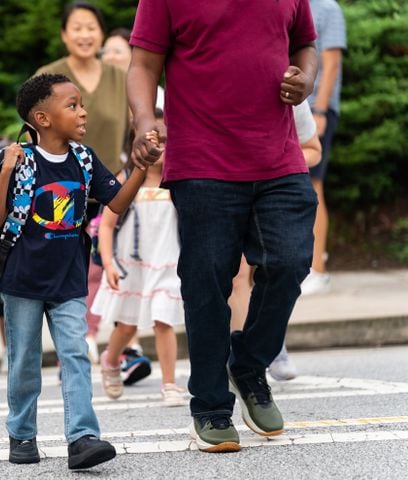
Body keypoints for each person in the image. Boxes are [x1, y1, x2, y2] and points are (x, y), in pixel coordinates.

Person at [127, 0, 319, 453]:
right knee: (206, 280)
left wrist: (306, 78)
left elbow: (305, 44)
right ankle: (211, 406)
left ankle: (250, 363)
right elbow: (142, 62)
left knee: (290, 261)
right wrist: (144, 121)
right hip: (202, 160)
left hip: (278, 157)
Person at [0, 73, 146, 470]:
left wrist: (141, 169)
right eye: (72, 105)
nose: (82, 111)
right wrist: (6, 171)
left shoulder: (85, 159)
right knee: (24, 360)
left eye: (80, 104)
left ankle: (82, 437)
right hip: (22, 281)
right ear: (42, 118)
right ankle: (22, 433)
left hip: (68, 281)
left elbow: (115, 203)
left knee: (75, 354)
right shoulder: (23, 160)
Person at [36, 1, 129, 364]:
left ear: (102, 34)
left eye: (91, 27)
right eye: (76, 27)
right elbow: (35, 132)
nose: (85, 35)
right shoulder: (49, 76)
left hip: (111, 185)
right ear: (64, 34)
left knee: (112, 265)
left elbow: (133, 131)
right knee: (71, 269)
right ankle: (77, 341)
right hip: (62, 187)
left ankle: (112, 345)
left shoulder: (120, 77)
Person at [93, 119, 185, 407]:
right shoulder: (126, 179)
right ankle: (110, 360)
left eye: (166, 142)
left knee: (162, 320)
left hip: (167, 261)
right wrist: (108, 263)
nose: (159, 149)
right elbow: (106, 225)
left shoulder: (180, 180)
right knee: (127, 326)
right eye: (152, 142)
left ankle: (169, 384)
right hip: (130, 266)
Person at [229, 100, 323, 382]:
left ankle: (268, 345)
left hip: (273, 194)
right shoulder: (214, 84)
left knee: (279, 268)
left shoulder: (287, 86)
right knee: (237, 276)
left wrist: (277, 158)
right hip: (226, 192)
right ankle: (240, 358)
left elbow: (313, 150)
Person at [301, 0, 347, 296]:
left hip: (315, 109)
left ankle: (317, 270)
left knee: (313, 183)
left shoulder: (327, 8)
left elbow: (330, 63)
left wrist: (319, 110)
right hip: (288, 109)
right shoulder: (289, 5)